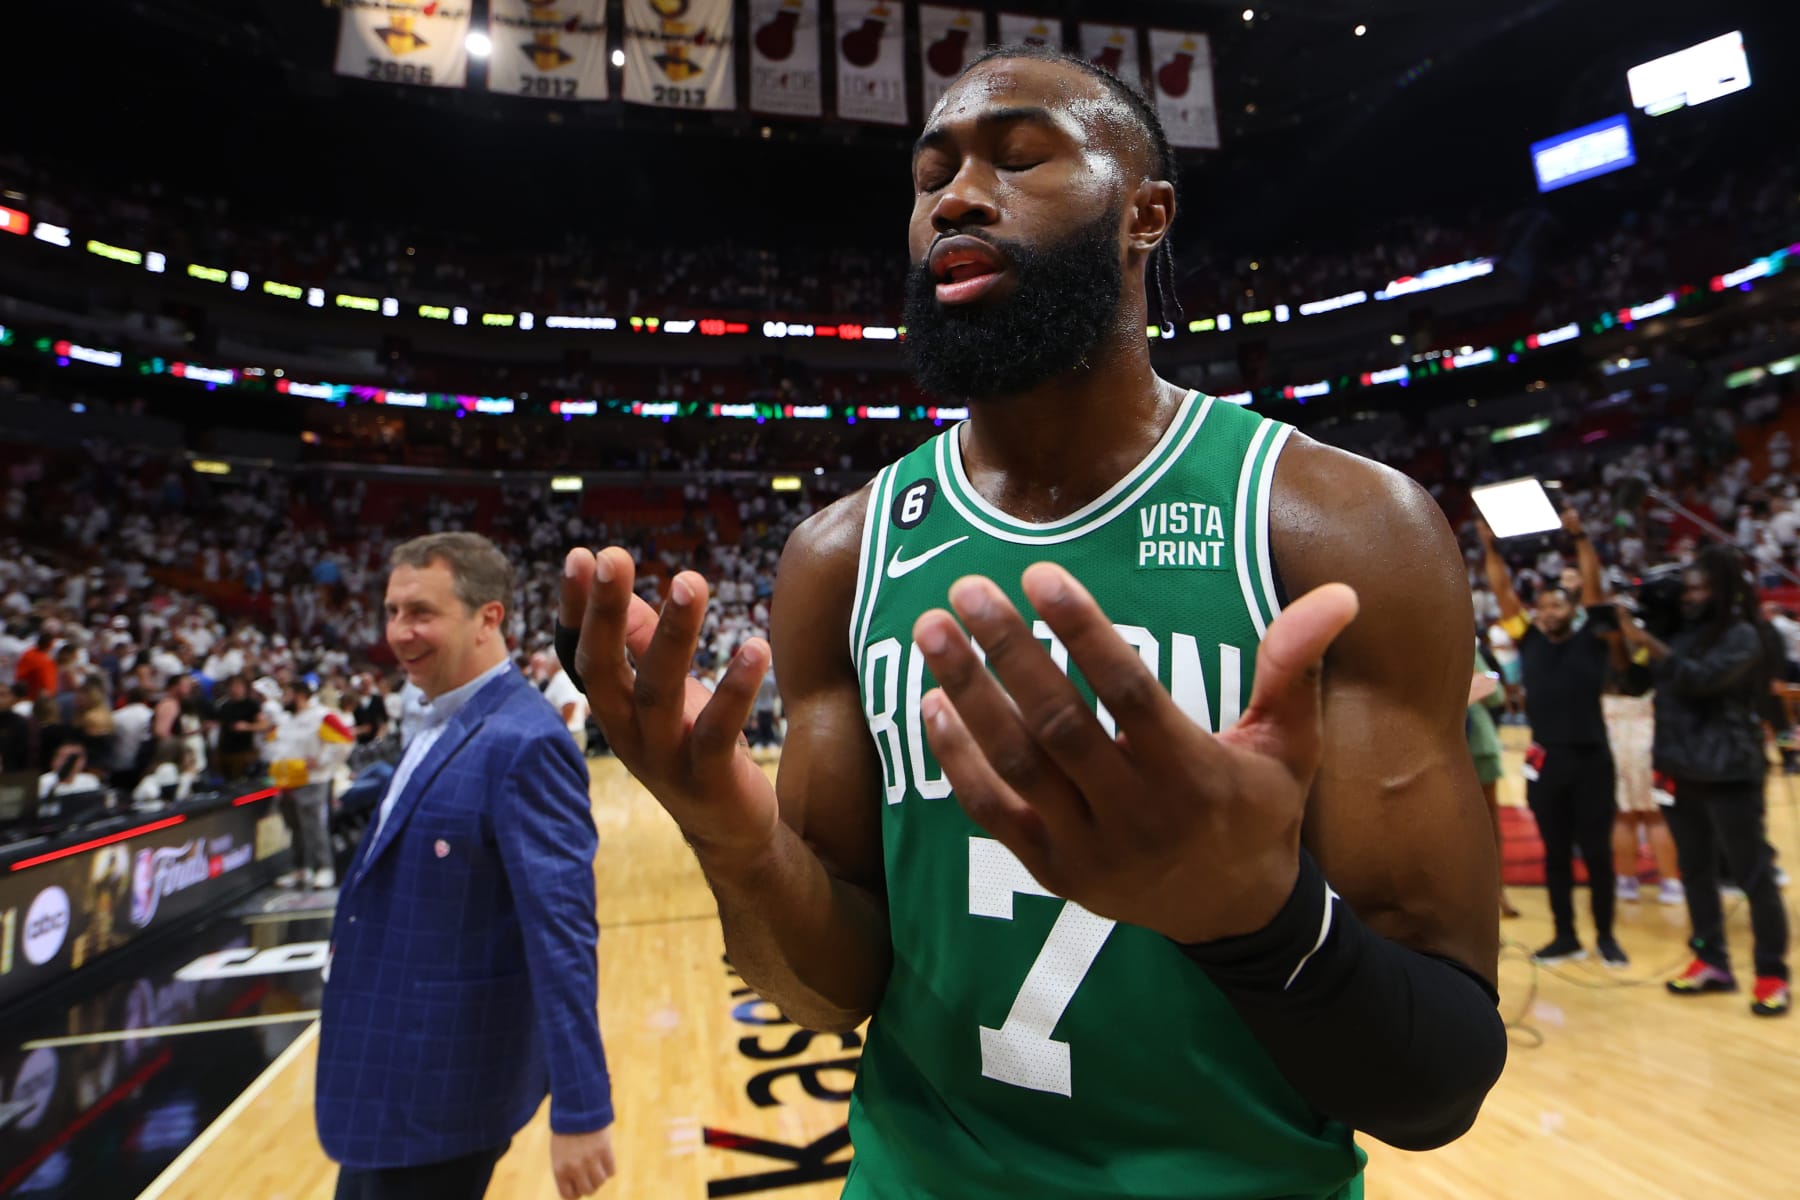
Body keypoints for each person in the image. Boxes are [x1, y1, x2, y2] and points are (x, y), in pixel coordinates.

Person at [558, 47, 1502, 1199]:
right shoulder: (841, 555)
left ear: (1145, 213)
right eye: (930, 175)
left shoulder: (1344, 531)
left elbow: (1436, 1085)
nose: (953, 196)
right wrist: (734, 838)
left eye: (1018, 157)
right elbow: (829, 992)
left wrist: (1261, 919)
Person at [317, 532, 615, 1200]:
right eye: (392, 611)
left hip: (441, 1088)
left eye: (421, 612)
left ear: (489, 617)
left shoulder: (526, 740)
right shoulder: (440, 718)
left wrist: (582, 1106)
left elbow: (563, 934)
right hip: (390, 1072)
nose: (399, 632)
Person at [1620, 546, 1790, 1017]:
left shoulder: (1743, 636)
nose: (1692, 597)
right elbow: (1635, 684)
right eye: (1688, 588)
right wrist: (1629, 640)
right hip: (1678, 767)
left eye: (1702, 588)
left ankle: (1772, 972)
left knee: (1752, 875)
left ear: (1725, 590)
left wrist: (1649, 641)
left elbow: (1698, 679)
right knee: (1695, 872)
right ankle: (1711, 960)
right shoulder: (1678, 632)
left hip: (1730, 770)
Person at [1480, 508, 1627, 967]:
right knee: (1556, 854)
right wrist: (1489, 548)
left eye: (1556, 606)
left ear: (1574, 610)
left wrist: (1580, 537)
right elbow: (1503, 592)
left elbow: (1596, 587)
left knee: (1599, 854)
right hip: (1546, 764)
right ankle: (1566, 935)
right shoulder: (1530, 640)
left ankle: (1605, 935)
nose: (1546, 613)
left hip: (1592, 761)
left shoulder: (1593, 637)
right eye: (1542, 607)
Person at [1467, 639, 1518, 918]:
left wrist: (1487, 677)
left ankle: (1494, 895)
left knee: (1484, 827)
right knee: (1487, 828)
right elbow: (1495, 691)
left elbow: (1495, 690)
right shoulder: (1466, 644)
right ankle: (1494, 895)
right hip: (1468, 744)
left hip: (1471, 745)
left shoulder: (1467, 646)